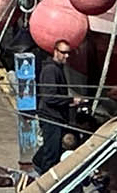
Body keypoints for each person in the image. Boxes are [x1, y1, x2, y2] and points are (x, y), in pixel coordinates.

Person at [31, 37, 85, 174]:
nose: (66, 56)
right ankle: (44, 180)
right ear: (55, 52)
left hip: (58, 117)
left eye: (68, 53)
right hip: (51, 117)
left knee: (53, 148)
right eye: (63, 52)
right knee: (51, 154)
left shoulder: (58, 69)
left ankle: (37, 165)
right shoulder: (51, 70)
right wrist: (71, 100)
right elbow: (50, 97)